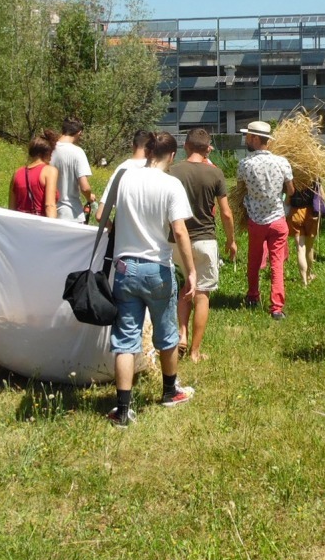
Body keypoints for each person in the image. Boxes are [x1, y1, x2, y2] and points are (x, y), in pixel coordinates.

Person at [107, 132, 198, 427]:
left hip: (125, 268)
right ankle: (170, 392)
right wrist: (191, 271)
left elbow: (103, 216)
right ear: (171, 156)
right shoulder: (171, 184)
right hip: (157, 267)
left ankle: (123, 409)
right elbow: (180, 231)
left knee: (125, 339)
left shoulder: (124, 177)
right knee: (166, 334)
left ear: (148, 153)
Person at [169, 128, 237, 362]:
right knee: (201, 294)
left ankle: (182, 333)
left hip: (177, 241)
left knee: (184, 288)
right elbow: (226, 213)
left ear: (186, 146)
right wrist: (231, 240)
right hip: (205, 239)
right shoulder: (215, 173)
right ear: (207, 147)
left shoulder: (173, 171)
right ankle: (196, 352)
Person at [237, 120, 294, 320]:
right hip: (278, 219)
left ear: (254, 138)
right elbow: (291, 189)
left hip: (256, 220)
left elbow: (240, 187)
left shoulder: (245, 164)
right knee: (277, 263)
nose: (245, 139)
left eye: (247, 135)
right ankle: (276, 308)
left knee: (254, 260)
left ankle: (253, 296)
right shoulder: (282, 162)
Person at [95, 129, 152, 220]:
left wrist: (112, 230)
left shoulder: (121, 170)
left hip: (122, 233)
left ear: (133, 146)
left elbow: (100, 215)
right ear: (151, 149)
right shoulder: (154, 170)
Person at [52, 116, 98, 222]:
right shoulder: (77, 152)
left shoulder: (49, 149)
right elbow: (85, 188)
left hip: (50, 211)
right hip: (71, 214)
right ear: (79, 133)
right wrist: (89, 197)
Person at [9, 131, 59, 217]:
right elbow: (49, 205)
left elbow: (11, 209)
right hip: (39, 225)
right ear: (48, 153)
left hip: (19, 225)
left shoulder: (17, 173)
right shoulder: (49, 171)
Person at [286, 180, 325, 285]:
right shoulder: (315, 178)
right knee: (310, 248)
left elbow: (287, 201)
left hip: (296, 213)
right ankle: (308, 275)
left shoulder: (293, 178)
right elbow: (323, 197)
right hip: (311, 214)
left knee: (300, 249)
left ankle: (303, 281)